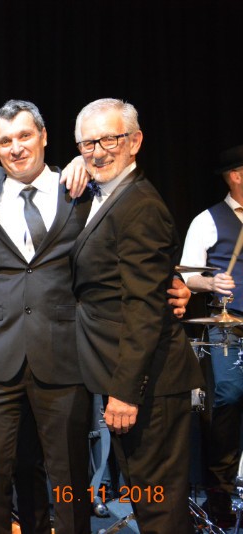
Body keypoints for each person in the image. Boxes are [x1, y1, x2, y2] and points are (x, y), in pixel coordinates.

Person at [0, 100, 93, 534]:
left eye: (24, 136)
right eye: (5, 141)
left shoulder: (81, 188)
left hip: (63, 352)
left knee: (69, 476)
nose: (15, 148)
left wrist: (85, 162)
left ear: (44, 136)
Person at [71, 98, 204, 532]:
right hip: (131, 380)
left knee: (161, 512)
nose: (98, 152)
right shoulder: (105, 195)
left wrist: (126, 393)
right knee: (149, 505)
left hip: (150, 387)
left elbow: (144, 307)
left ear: (135, 142)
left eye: (110, 139)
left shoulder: (140, 204)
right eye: (88, 143)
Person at [181, 143, 243, 525]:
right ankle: (220, 489)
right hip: (228, 325)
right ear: (235, 175)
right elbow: (187, 275)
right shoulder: (207, 220)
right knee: (229, 398)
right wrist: (211, 281)